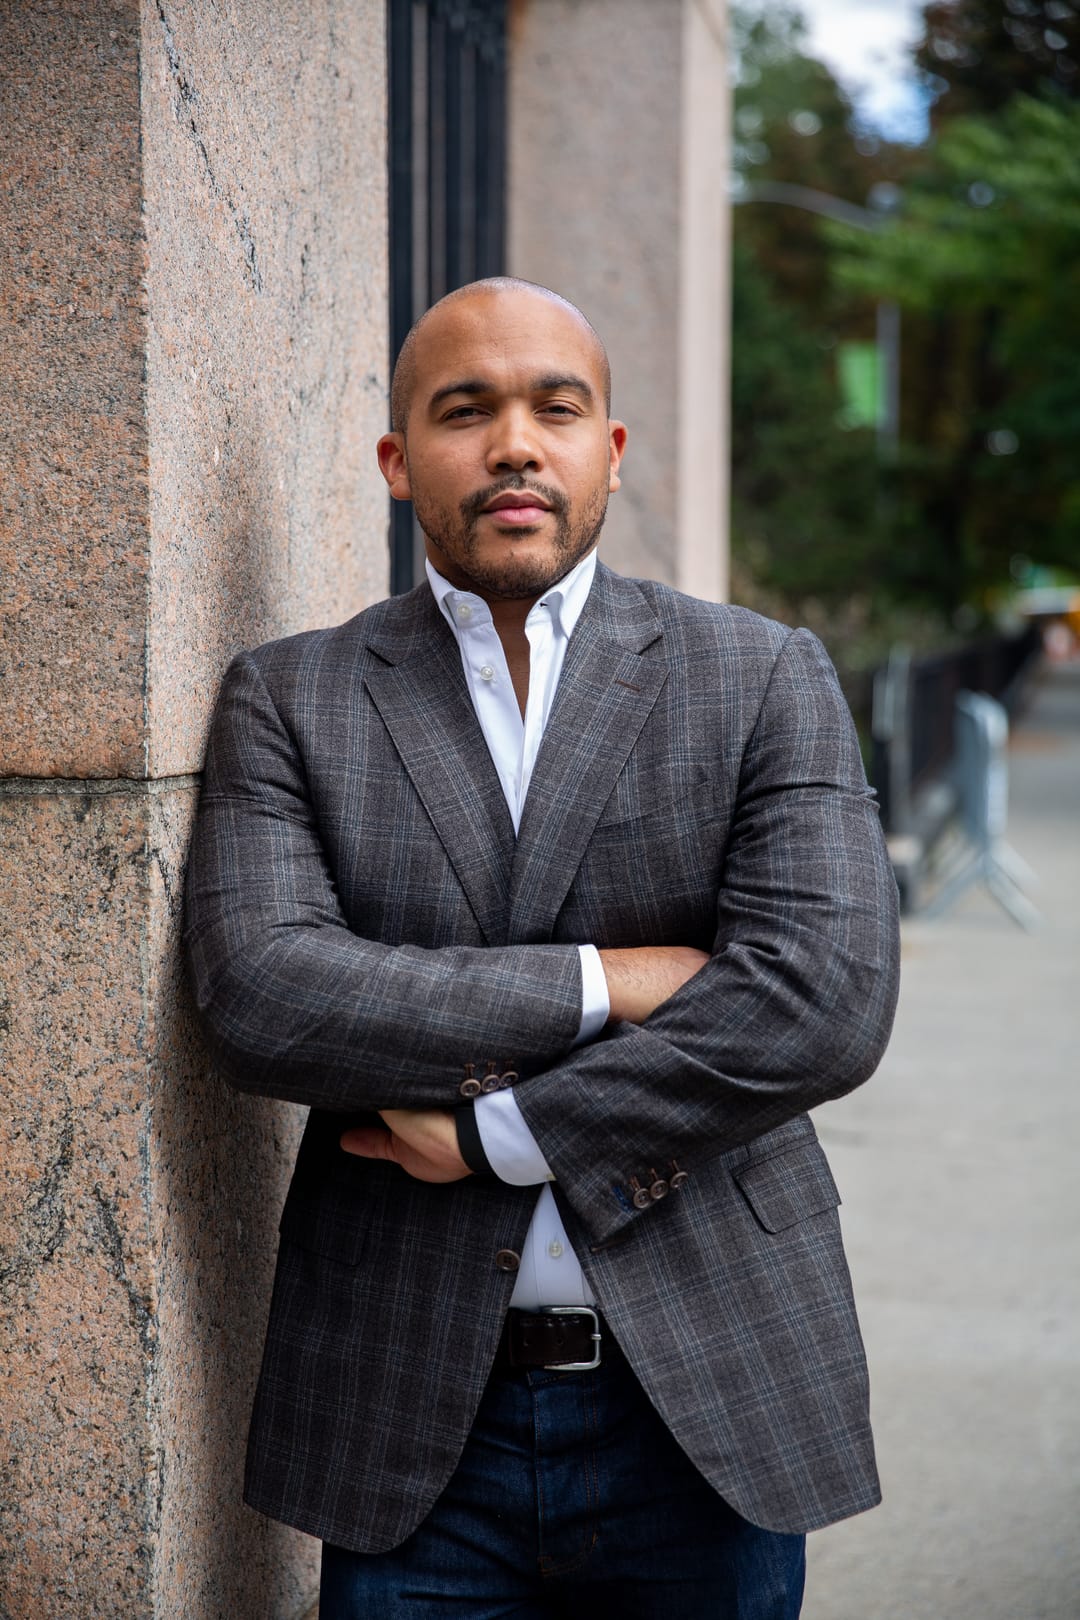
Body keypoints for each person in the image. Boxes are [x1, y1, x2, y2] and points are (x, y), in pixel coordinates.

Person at [183, 277, 900, 1619]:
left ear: (608, 453)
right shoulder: (292, 698)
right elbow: (265, 997)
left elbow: (822, 1004)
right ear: (400, 462)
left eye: (553, 408)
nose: (514, 442)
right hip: (404, 1412)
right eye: (466, 411)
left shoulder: (757, 677)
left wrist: (499, 1135)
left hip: (705, 1396)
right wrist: (612, 981)